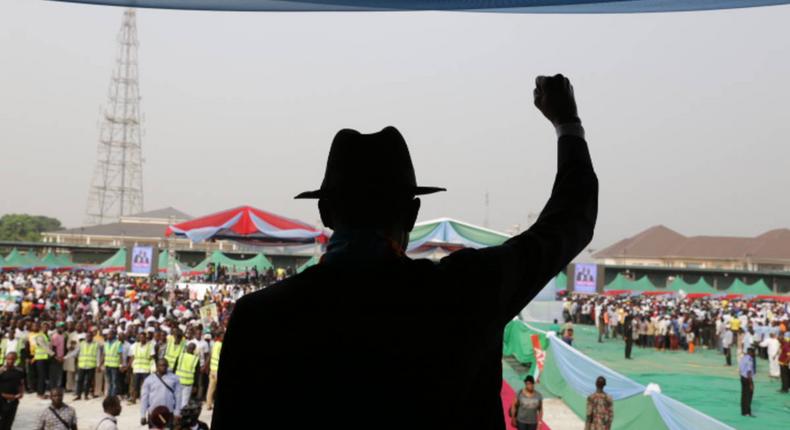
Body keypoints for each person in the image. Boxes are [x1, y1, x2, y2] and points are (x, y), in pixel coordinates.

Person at [212, 74, 598, 428]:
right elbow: (569, 221)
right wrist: (567, 123)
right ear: (412, 213)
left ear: (324, 211)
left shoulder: (259, 319)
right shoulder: (466, 292)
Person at [140, 359, 181, 427]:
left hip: (169, 413)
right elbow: (144, 398)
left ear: (167, 366)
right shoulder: (149, 380)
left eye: (165, 365)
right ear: (156, 367)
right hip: (153, 413)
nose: (163, 367)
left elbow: (178, 396)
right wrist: (143, 415)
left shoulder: (174, 379)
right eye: (161, 365)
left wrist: (177, 413)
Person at [70, 331, 100, 400]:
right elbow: (75, 353)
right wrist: (67, 357)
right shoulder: (81, 344)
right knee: (79, 380)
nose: (88, 337)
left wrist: (98, 365)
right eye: (87, 336)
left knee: (88, 381)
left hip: (91, 366)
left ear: (92, 337)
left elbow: (98, 355)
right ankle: (78, 395)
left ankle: (86, 395)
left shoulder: (96, 344)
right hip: (82, 365)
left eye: (90, 336)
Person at [0, 352, 25, 430]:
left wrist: (21, 393)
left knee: (9, 422)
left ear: (16, 360)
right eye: (9, 359)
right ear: (5, 359)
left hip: (14, 401)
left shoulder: (19, 371)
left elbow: (21, 383)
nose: (10, 361)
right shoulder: (1, 371)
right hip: (1, 400)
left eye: (12, 359)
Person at [128, 332, 154, 404]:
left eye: (143, 337)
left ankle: (146, 400)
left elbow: (152, 358)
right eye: (140, 337)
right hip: (136, 369)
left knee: (146, 386)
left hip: (146, 369)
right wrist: (130, 365)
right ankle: (133, 399)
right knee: (135, 385)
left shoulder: (150, 346)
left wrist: (152, 368)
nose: (142, 338)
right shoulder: (135, 346)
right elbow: (133, 357)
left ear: (146, 338)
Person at [175, 343, 199, 409]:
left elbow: (175, 368)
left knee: (176, 400)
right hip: (188, 383)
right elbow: (197, 374)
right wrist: (195, 385)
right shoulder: (195, 359)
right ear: (194, 350)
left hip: (178, 381)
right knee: (184, 403)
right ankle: (181, 416)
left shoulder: (180, 356)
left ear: (187, 348)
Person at [102, 330, 122, 397]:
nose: (109, 336)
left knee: (114, 382)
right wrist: (100, 364)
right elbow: (104, 355)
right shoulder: (106, 343)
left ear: (114, 335)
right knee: (109, 381)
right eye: (108, 334)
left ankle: (113, 396)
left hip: (114, 365)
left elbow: (120, 354)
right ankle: (109, 395)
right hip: (107, 365)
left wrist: (120, 364)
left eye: (110, 334)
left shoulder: (119, 343)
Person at [205, 332, 221, 411]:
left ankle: (208, 405)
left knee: (210, 389)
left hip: (212, 369)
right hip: (217, 370)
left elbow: (210, 355)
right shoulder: (220, 345)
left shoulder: (215, 344)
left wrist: (207, 367)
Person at [739, 347, 755, 417]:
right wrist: (751, 383)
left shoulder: (743, 358)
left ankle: (743, 411)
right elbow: (749, 371)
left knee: (744, 395)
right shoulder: (749, 359)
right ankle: (748, 412)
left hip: (742, 377)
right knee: (748, 396)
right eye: (753, 353)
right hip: (747, 379)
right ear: (751, 353)